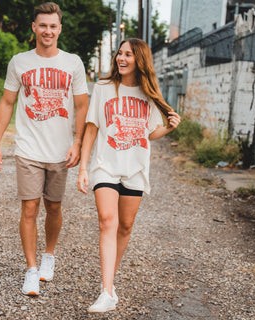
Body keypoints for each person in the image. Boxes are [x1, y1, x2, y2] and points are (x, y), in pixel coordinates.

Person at [0, 2, 89, 296]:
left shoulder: (73, 63)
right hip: (28, 149)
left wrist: (78, 142)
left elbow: (82, 106)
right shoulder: (19, 62)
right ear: (34, 27)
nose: (48, 31)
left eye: (53, 26)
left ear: (60, 28)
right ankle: (31, 269)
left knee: (54, 207)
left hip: (60, 151)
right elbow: (7, 102)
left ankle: (49, 255)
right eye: (42, 25)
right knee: (29, 208)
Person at [77, 38, 181, 313]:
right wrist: (83, 167)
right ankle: (107, 290)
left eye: (128, 55)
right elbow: (92, 127)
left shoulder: (149, 95)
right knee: (107, 221)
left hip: (135, 168)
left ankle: (109, 282)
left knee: (125, 226)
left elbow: (149, 132)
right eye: (120, 53)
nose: (121, 59)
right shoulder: (102, 88)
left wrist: (169, 129)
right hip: (105, 166)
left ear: (140, 60)